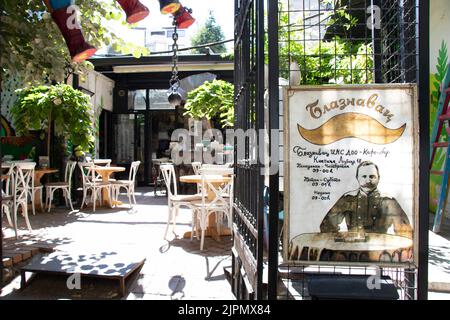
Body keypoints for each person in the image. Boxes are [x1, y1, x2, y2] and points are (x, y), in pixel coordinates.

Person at [320, 161, 413, 239]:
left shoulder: (389, 202)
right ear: (357, 178)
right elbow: (326, 226)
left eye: (372, 177)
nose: (368, 181)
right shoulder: (348, 199)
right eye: (364, 176)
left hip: (379, 251)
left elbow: (405, 233)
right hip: (352, 249)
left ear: (378, 178)